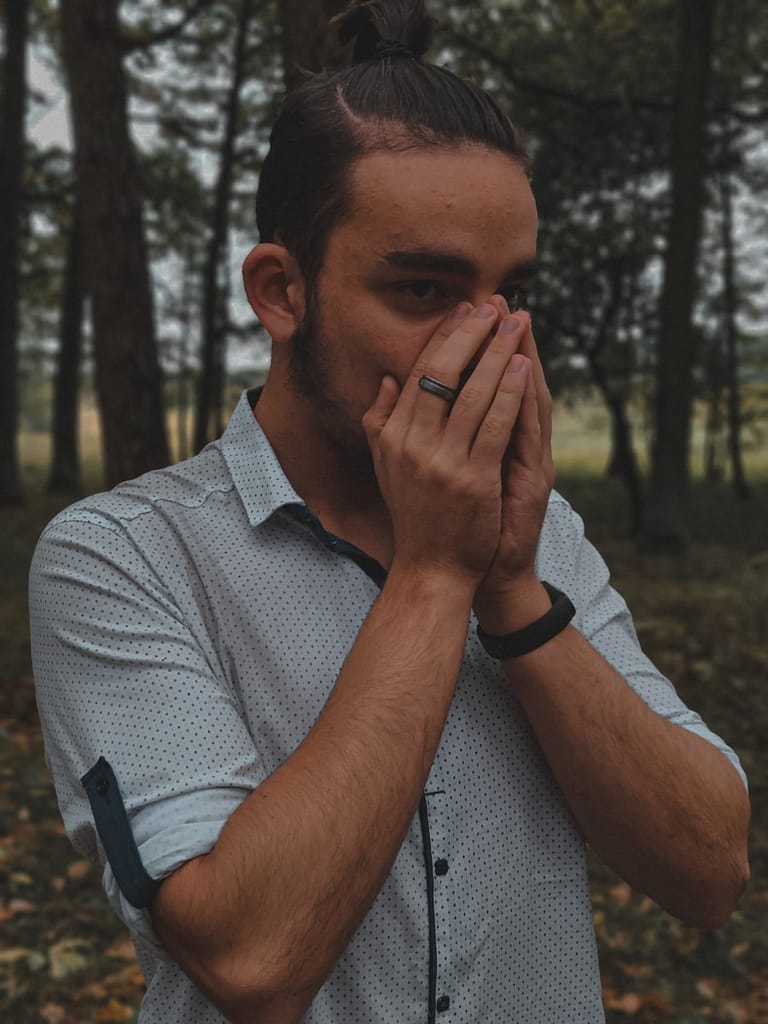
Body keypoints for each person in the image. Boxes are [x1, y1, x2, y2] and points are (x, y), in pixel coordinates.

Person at [30, 2, 750, 1022]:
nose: (486, 350)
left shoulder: (543, 539)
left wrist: (509, 587)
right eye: (424, 290)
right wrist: (435, 574)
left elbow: (710, 870)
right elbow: (252, 955)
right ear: (281, 292)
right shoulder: (124, 557)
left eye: (511, 298)